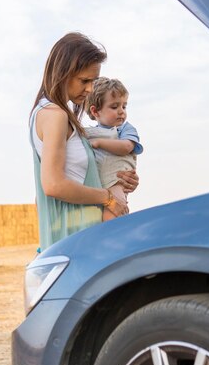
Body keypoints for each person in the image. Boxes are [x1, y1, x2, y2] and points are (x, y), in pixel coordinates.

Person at [29, 32, 138, 250]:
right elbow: (53, 185)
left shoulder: (50, 112)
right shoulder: (54, 114)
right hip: (78, 237)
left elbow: (73, 178)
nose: (90, 89)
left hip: (83, 233)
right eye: (84, 81)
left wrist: (120, 179)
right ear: (63, 73)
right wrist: (108, 198)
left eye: (93, 81)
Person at [85, 77, 143, 221]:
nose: (121, 111)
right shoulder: (90, 133)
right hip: (97, 186)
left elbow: (127, 147)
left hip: (115, 183)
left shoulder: (125, 129)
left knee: (112, 214)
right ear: (95, 111)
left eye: (124, 106)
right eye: (114, 107)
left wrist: (99, 143)